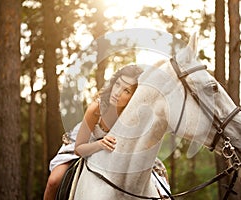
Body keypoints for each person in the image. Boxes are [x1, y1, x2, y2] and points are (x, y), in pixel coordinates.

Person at [44, 64, 170, 199]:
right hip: (85, 143)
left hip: (115, 150)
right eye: (117, 85)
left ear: (134, 97)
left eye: (126, 91)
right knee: (54, 181)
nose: (117, 93)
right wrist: (100, 145)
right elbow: (78, 149)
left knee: (161, 179)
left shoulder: (134, 117)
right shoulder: (96, 109)